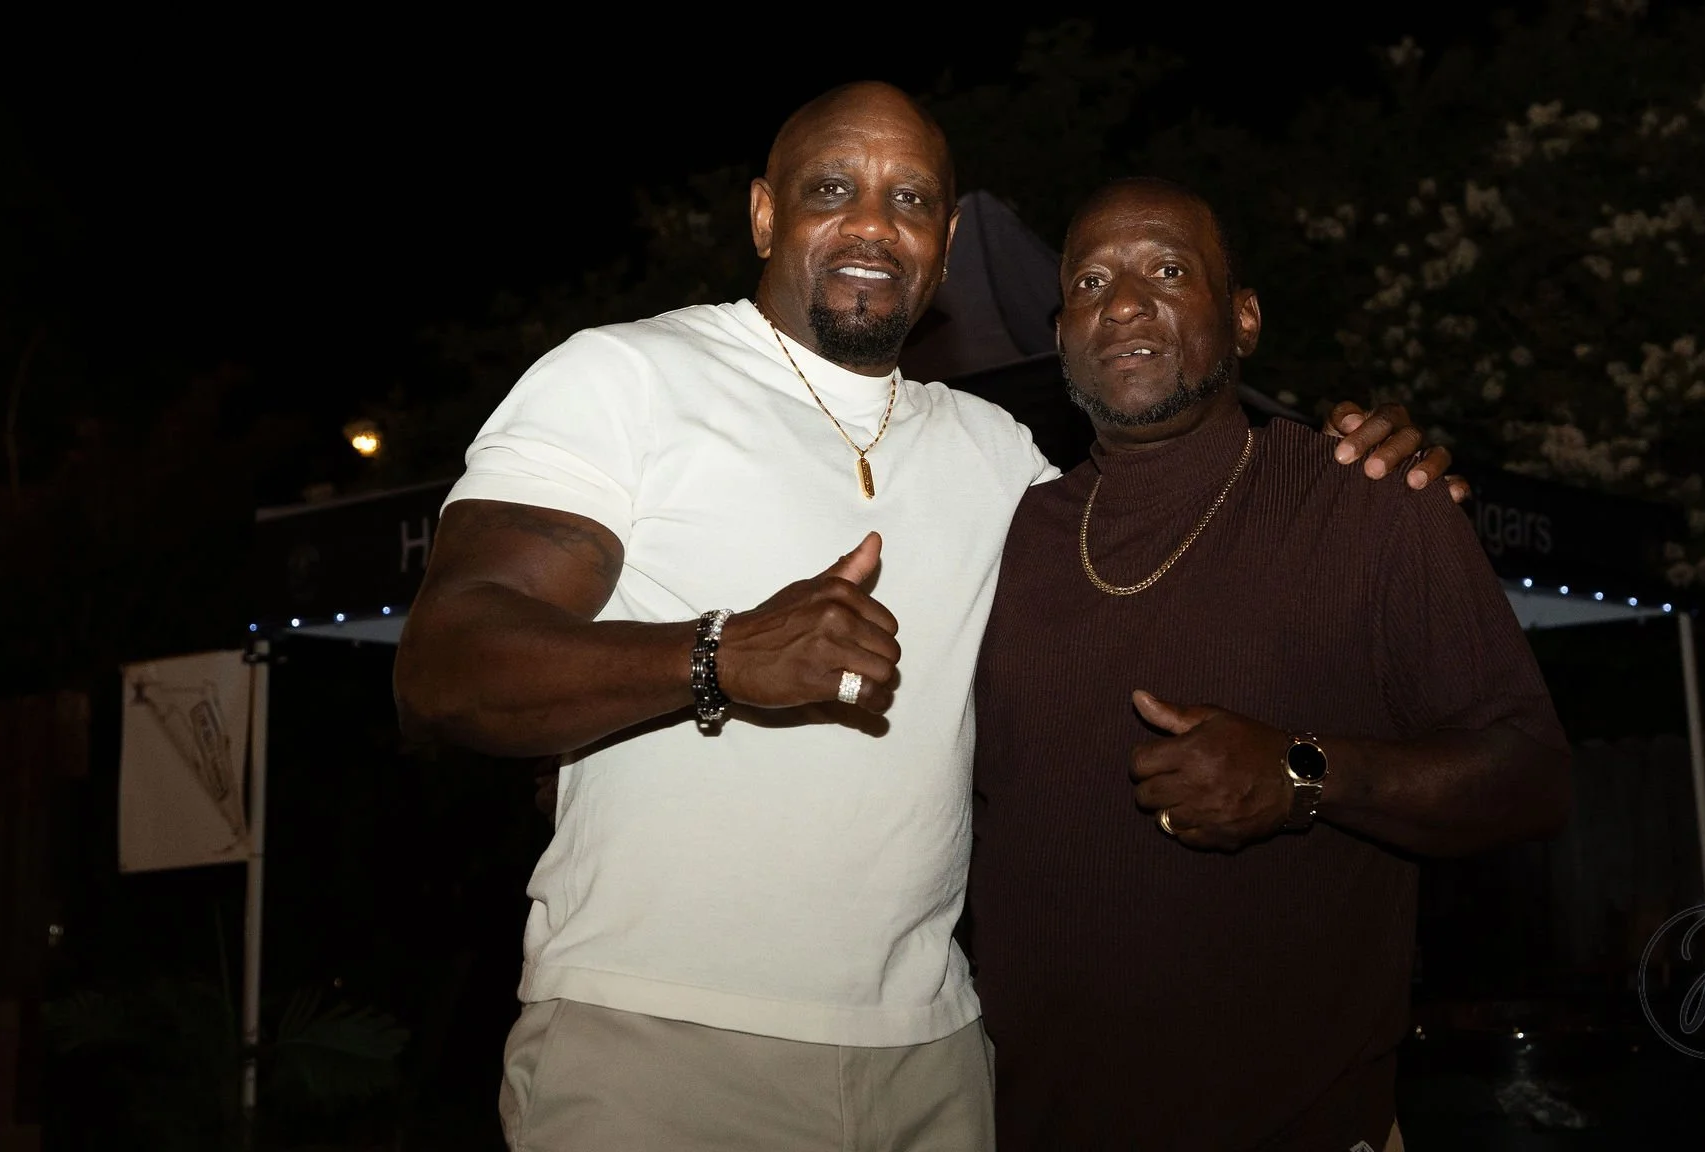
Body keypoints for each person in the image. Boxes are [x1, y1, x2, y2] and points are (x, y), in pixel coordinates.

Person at [392, 84, 1450, 1151]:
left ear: (942, 243)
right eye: (830, 190)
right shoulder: (622, 378)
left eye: (908, 198)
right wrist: (717, 655)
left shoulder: (1001, 458)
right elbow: (444, 667)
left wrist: (1359, 471)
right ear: (764, 215)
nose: (870, 222)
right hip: (659, 1040)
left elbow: (1202, 563)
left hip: (938, 1061)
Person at [967, 177, 1573, 1152]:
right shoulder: (1002, 542)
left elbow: (1529, 776)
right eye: (1089, 282)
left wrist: (1302, 774)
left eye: (1166, 270)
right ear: (1061, 330)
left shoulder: (1370, 504)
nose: (1122, 302)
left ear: (1242, 318)